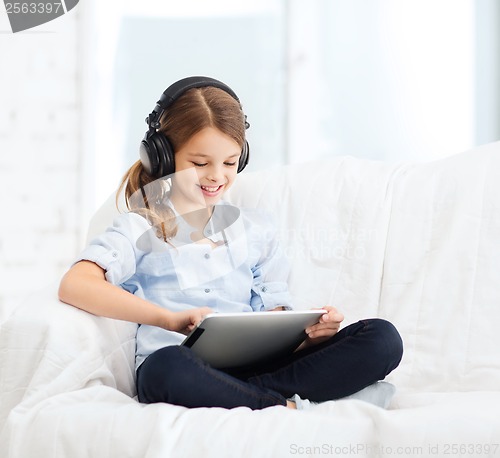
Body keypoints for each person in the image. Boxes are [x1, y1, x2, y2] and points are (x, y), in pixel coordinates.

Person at [59, 76, 403, 410]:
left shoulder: (256, 230)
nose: (217, 176)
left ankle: (250, 398)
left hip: (259, 366)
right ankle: (286, 405)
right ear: (163, 156)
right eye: (199, 163)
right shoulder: (139, 227)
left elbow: (274, 315)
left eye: (229, 162)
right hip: (182, 365)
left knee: (382, 339)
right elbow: (76, 284)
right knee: (166, 369)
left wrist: (311, 336)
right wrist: (169, 320)